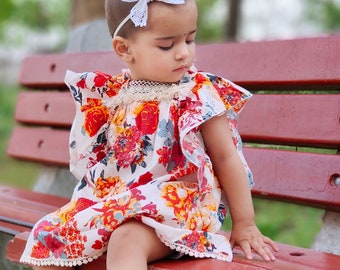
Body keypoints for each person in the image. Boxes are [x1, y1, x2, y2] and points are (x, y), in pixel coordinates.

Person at [20, 0, 278, 269]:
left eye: (189, 39)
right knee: (47, 236)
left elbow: (226, 158)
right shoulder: (115, 96)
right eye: (167, 45)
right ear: (124, 49)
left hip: (179, 209)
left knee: (126, 241)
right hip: (122, 203)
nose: (183, 54)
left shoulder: (197, 95)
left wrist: (246, 224)